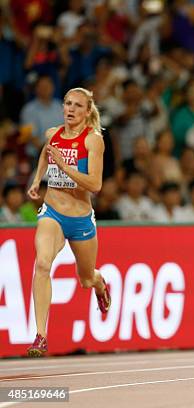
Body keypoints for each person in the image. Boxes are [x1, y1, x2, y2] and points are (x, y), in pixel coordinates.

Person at [25, 87, 111, 357]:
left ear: (87, 112)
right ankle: (40, 335)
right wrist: (37, 180)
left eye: (77, 106)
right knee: (42, 263)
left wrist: (64, 167)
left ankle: (100, 285)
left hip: (80, 217)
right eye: (67, 104)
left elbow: (95, 184)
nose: (70, 109)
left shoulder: (93, 140)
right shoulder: (52, 134)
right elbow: (45, 153)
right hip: (52, 211)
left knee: (85, 278)